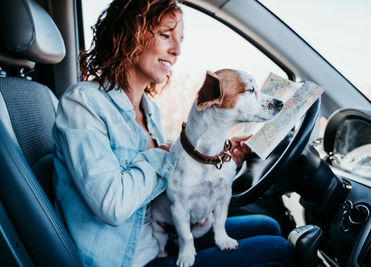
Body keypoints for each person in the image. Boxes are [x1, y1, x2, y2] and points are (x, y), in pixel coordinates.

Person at [52, 0, 295, 266]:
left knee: (268, 224)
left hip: (161, 239)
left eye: (180, 39)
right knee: (278, 249)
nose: (177, 50)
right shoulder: (83, 104)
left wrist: (214, 151)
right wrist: (163, 155)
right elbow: (112, 205)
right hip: (130, 258)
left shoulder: (151, 111)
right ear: (128, 34)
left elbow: (171, 180)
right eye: (165, 35)